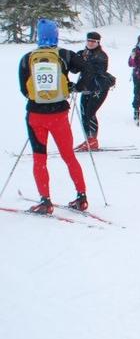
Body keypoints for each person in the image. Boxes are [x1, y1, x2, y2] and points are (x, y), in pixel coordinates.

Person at [19, 19, 91, 214]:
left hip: (36, 116)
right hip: (59, 115)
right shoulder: (65, 55)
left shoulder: (27, 58)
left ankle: (45, 200)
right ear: (56, 36)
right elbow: (87, 69)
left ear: (39, 36)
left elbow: (23, 89)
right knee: (68, 156)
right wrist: (77, 87)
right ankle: (81, 196)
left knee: (39, 159)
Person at [75, 31, 115, 151]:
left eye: (93, 41)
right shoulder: (83, 53)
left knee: (90, 113)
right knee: (83, 114)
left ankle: (92, 140)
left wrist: (83, 61)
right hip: (86, 88)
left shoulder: (101, 55)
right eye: (89, 41)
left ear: (98, 42)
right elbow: (75, 69)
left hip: (99, 88)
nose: (90, 43)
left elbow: (93, 71)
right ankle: (89, 139)